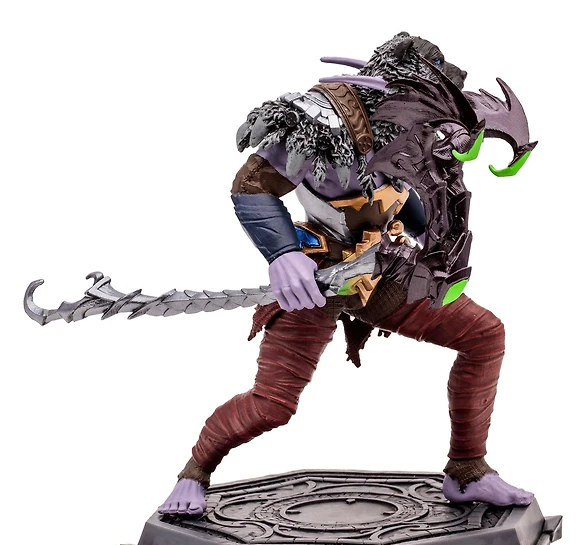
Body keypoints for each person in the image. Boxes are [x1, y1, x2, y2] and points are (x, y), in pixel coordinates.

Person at [158, 33, 534, 516]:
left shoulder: (425, 131)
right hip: (318, 277)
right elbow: (251, 185)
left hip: (385, 272)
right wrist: (282, 254)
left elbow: (411, 202)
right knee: (273, 404)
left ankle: (467, 470)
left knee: (483, 335)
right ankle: (194, 472)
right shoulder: (322, 120)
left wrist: (422, 232)